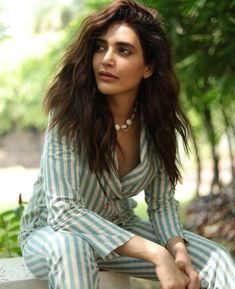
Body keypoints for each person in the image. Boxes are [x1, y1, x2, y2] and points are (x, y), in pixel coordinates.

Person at [18, 0, 235, 288]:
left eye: (123, 50)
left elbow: (160, 202)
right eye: (100, 47)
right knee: (71, 248)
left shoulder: (156, 121)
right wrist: (156, 253)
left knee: (216, 258)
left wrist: (177, 249)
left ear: (148, 67)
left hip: (120, 231)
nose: (107, 59)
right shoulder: (68, 114)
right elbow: (65, 211)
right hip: (52, 233)